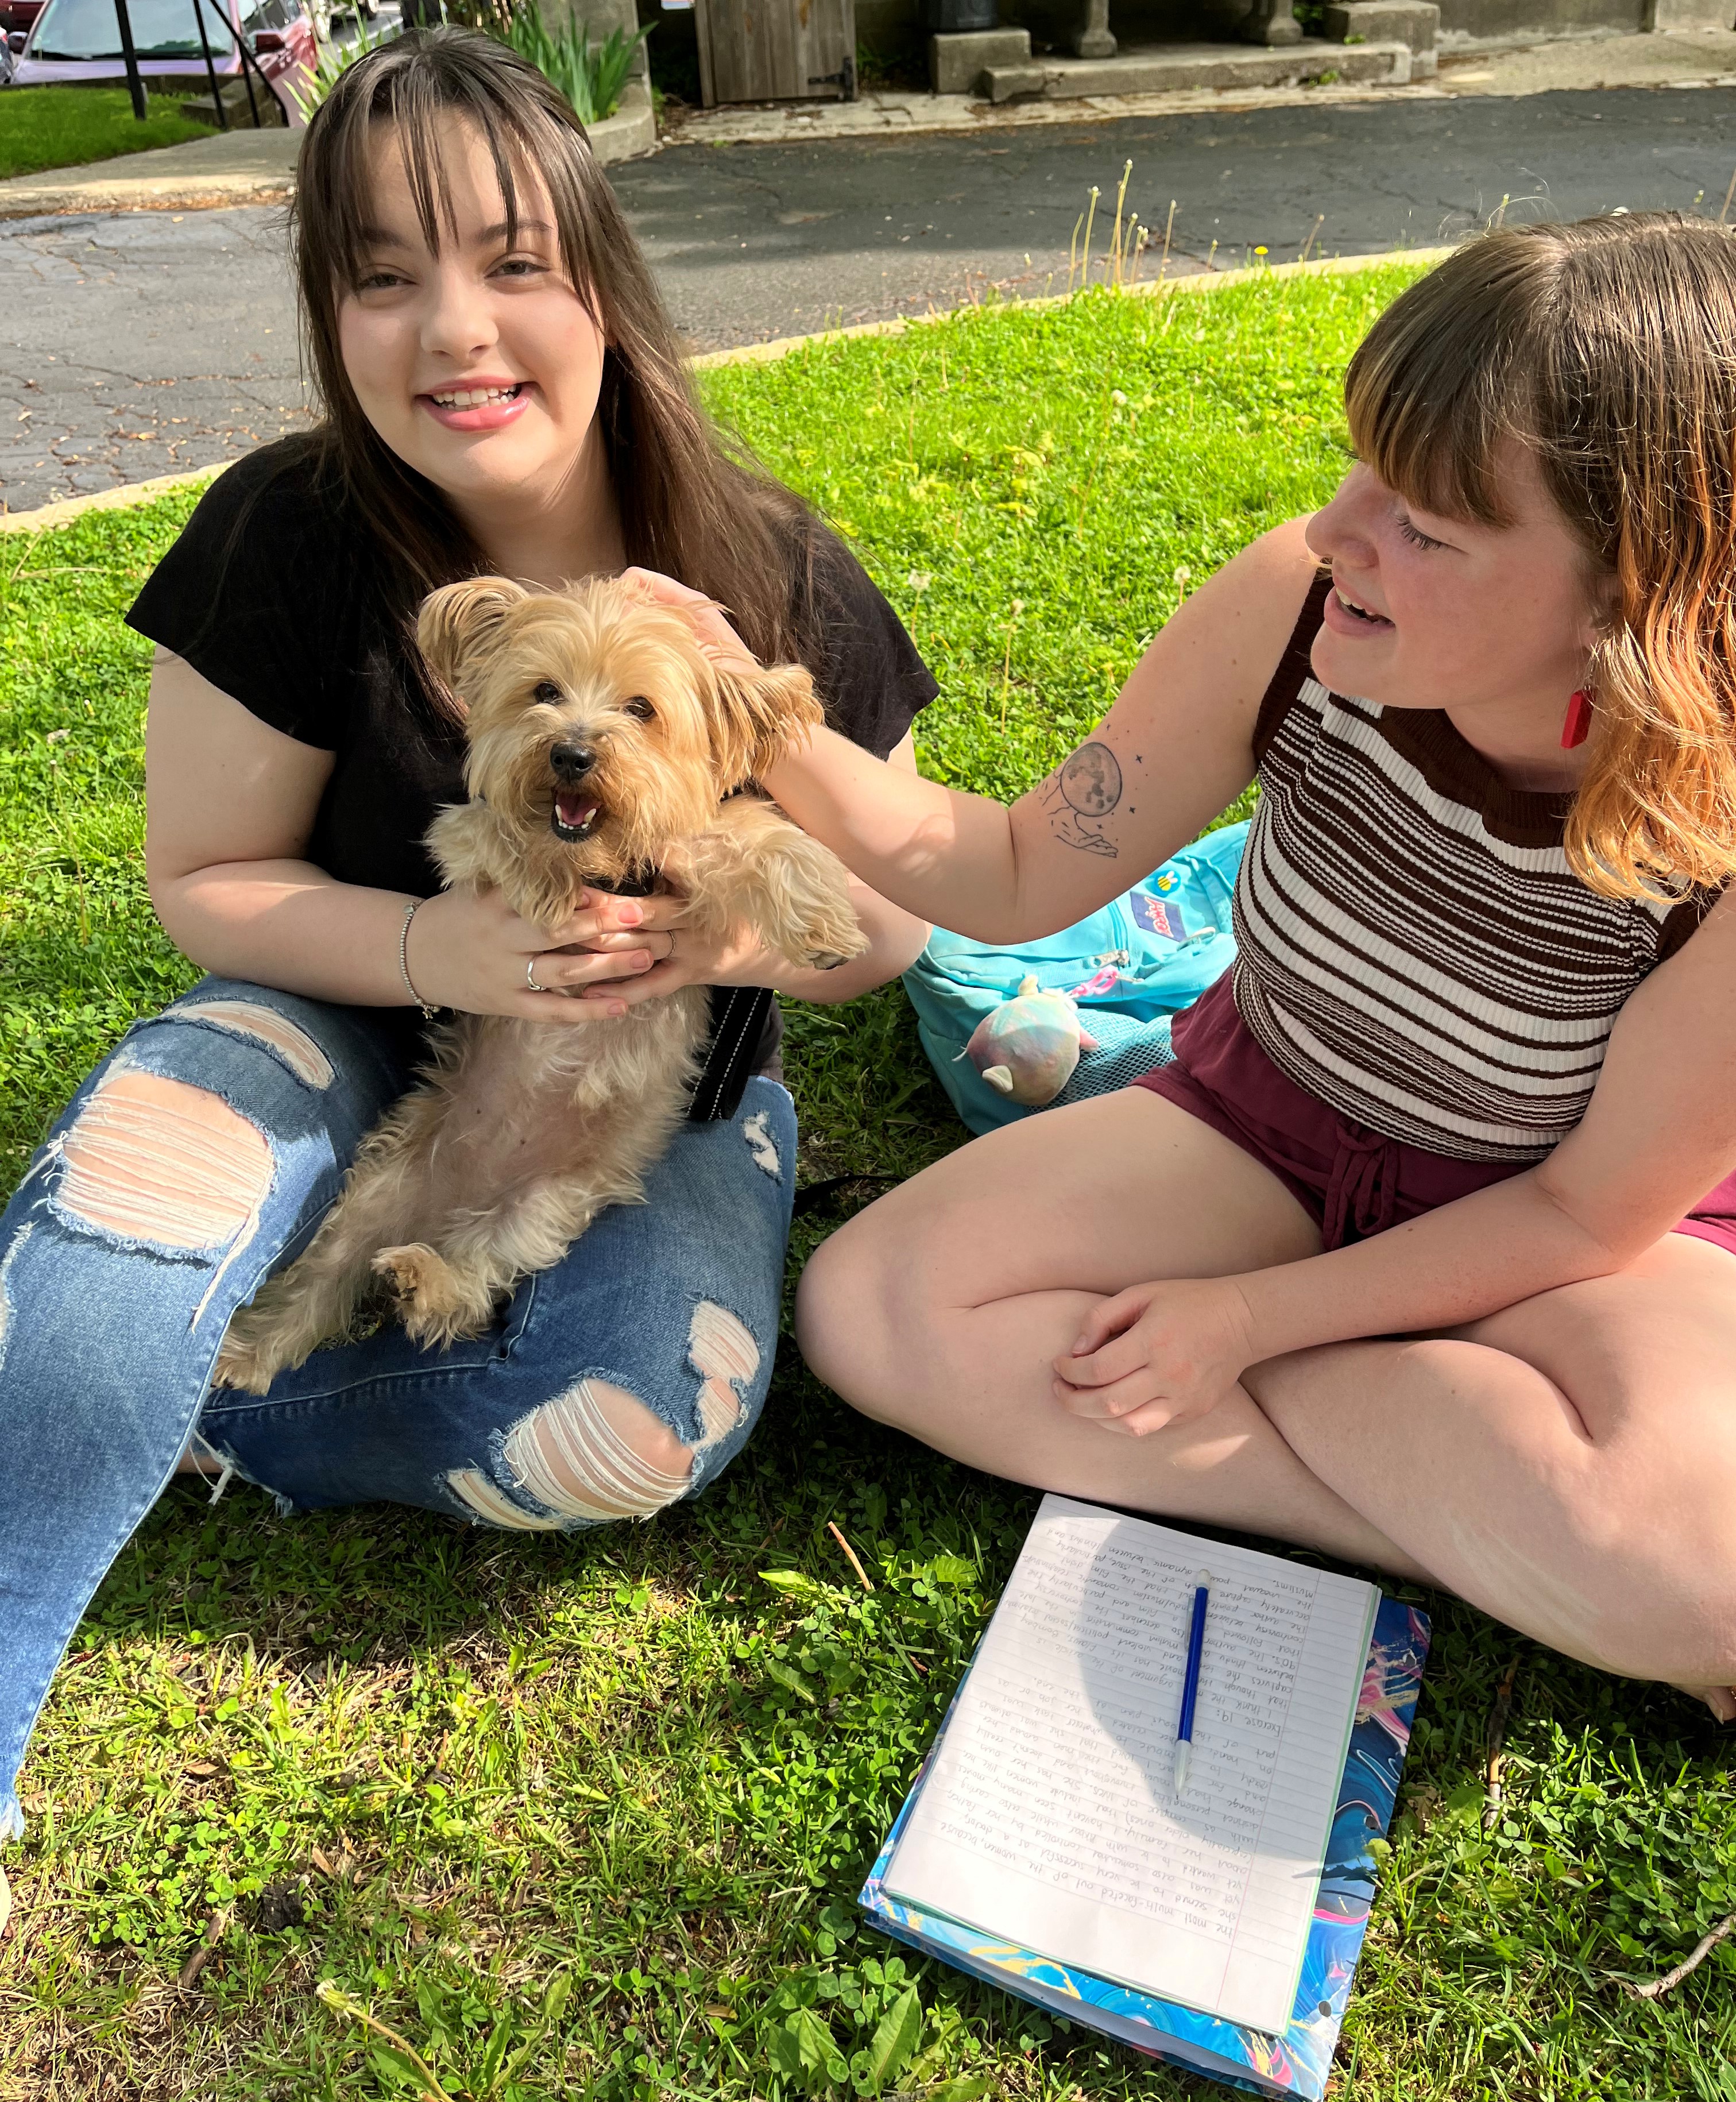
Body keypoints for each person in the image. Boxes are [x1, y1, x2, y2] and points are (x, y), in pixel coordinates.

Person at [0, 28, 934, 1926]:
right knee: (138, 1213)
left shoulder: (761, 565)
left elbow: (894, 927)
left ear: (601, 277)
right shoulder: (285, 530)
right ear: (328, 311)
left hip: (669, 1085)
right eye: (379, 274)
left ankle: (144, 1387)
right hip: (339, 1010)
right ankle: (86, 1374)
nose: (454, 331)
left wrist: (728, 922)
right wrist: (445, 942)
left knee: (632, 1425)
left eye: (512, 261)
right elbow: (207, 880)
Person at [653, 213, 1736, 1719]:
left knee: (1706, 1567)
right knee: (876, 1310)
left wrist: (1241, 1324)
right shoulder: (1301, 602)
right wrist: (763, 725)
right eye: (1361, 463)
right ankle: (1477, 1517)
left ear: (1632, 594)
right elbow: (1020, 871)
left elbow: (1583, 1208)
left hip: (1562, 1229)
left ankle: (1507, 1512)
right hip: (1272, 1127)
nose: (1345, 532)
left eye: (1429, 526)